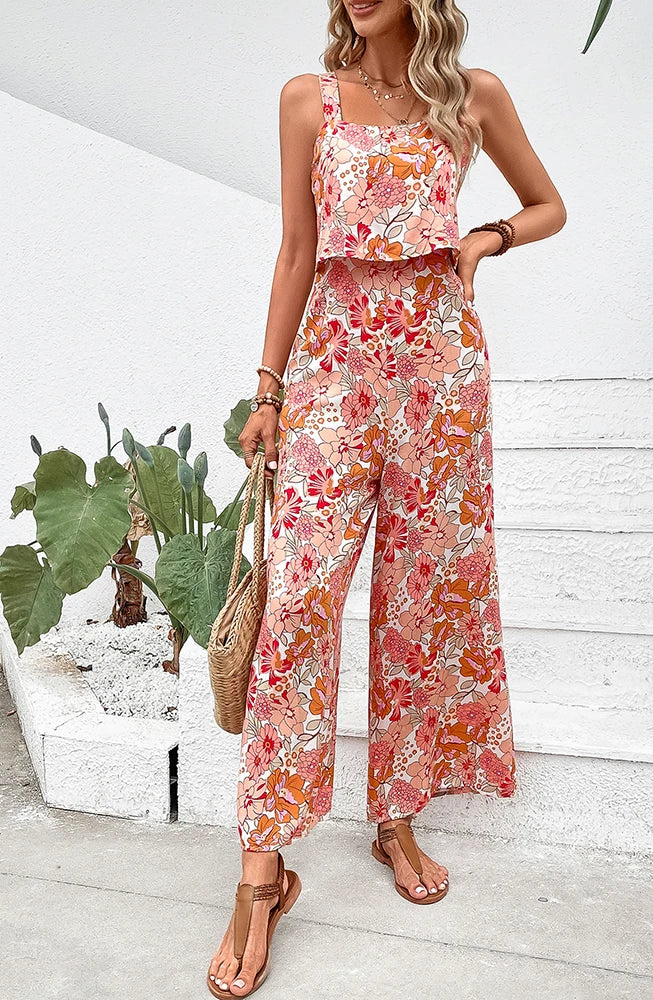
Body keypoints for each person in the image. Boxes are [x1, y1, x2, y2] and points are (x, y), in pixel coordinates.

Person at [208, 0, 566, 995]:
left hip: (441, 371)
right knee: (299, 600)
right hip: (334, 368)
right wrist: (269, 389)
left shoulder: (472, 97)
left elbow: (549, 204)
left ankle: (395, 817)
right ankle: (262, 870)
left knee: (419, 599)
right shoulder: (308, 100)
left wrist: (486, 239)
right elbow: (297, 249)